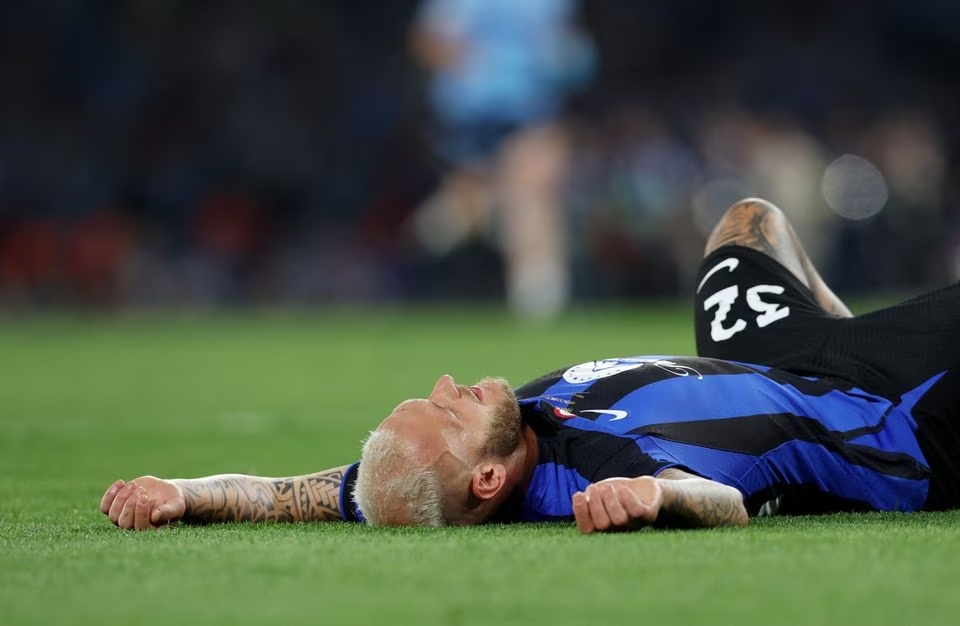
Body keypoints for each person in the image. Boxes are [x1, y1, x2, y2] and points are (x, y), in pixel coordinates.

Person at [100, 198, 960, 534]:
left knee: (746, 224)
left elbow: (311, 493)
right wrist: (658, 500)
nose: (447, 385)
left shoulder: (493, 450)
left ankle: (869, 328)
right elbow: (722, 502)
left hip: (790, 360)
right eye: (445, 412)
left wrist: (190, 494)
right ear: (484, 480)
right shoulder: (606, 474)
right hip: (892, 415)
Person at [407, 0, 594, 319]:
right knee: (474, 203)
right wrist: (471, 69)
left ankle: (538, 292)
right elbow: (427, 39)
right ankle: (438, 228)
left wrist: (569, 57)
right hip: (470, 114)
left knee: (532, 191)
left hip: (532, 108)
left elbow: (563, 42)